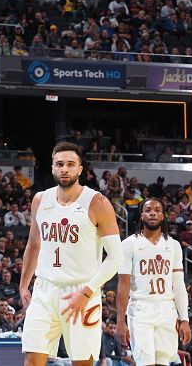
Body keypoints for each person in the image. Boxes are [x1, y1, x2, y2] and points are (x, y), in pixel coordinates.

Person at [19, 142, 124, 365]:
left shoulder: (97, 202)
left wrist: (86, 292)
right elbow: (33, 244)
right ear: (52, 167)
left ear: (80, 169)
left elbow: (116, 257)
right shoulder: (40, 200)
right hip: (45, 289)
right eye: (59, 164)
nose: (64, 169)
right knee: (31, 359)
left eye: (70, 164)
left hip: (82, 291)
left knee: (82, 362)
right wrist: (23, 284)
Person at [116, 198, 192, 366]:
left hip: (166, 310)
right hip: (140, 309)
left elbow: (179, 286)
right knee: (145, 362)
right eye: (148, 210)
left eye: (157, 210)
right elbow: (123, 285)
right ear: (142, 215)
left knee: (163, 362)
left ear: (163, 216)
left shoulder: (173, 246)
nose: (152, 213)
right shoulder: (129, 244)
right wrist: (120, 321)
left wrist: (184, 318)